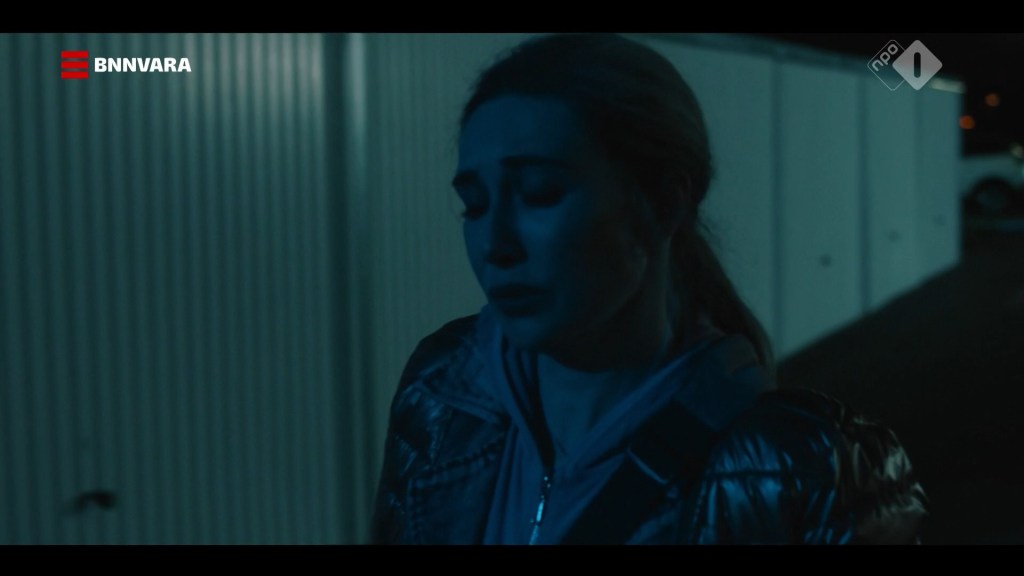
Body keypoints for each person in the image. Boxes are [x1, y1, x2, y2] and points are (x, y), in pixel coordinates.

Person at [371, 33, 928, 544]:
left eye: (539, 193)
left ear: (663, 205)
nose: (495, 243)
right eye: (474, 205)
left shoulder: (808, 472)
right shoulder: (440, 390)